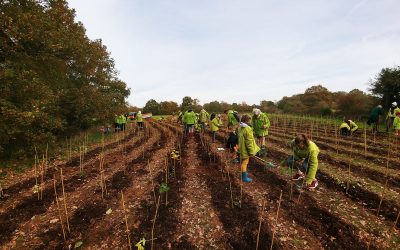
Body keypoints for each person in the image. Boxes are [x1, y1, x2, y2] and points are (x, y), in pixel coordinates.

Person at [238, 114, 260, 183]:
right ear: (247, 120)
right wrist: (251, 152)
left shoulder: (240, 127)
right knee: (245, 162)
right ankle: (244, 177)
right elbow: (249, 142)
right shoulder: (247, 129)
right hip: (245, 149)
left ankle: (244, 173)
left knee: (243, 161)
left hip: (242, 147)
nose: (250, 121)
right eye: (249, 120)